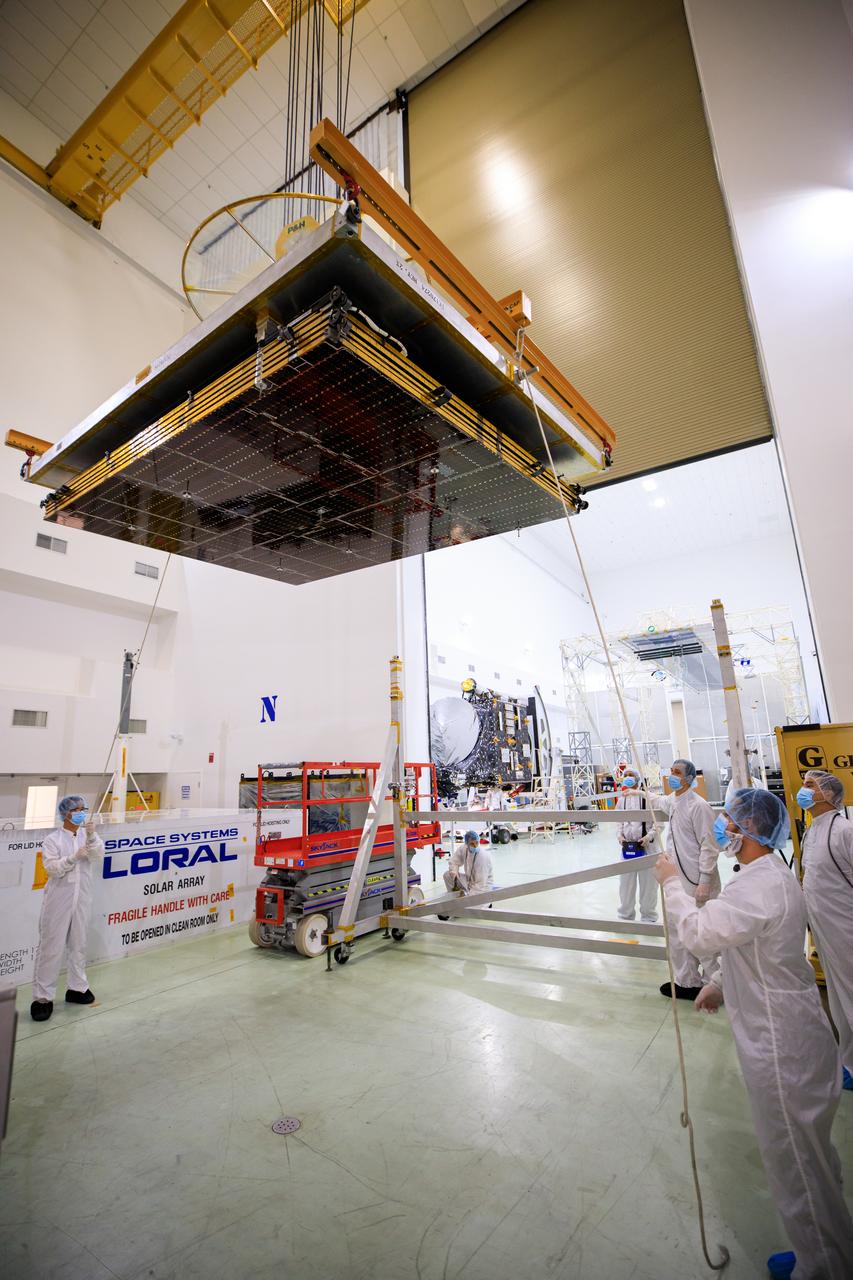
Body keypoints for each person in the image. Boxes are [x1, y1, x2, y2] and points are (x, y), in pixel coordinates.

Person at [656, 788, 853, 1280]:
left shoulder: (758, 887)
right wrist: (720, 983)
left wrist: (670, 886)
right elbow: (759, 945)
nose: (722, 824)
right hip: (792, 1032)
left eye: (728, 818)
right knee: (811, 1158)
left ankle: (825, 1267)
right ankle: (826, 1248)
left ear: (747, 830)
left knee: (797, 1165)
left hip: (782, 1045)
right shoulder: (768, 878)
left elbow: (700, 932)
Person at [797, 769, 853, 1092]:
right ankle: (849, 1062)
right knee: (837, 998)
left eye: (810, 785)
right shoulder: (810, 831)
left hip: (846, 929)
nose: (803, 790)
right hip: (824, 932)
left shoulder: (844, 830)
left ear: (829, 795)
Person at [31, 794, 104, 1022]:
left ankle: (77, 988)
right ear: (66, 813)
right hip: (58, 900)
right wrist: (72, 858)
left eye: (84, 808)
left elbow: (98, 854)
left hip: (81, 898)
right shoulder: (52, 840)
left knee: (78, 944)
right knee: (51, 947)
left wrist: (91, 836)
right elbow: (52, 869)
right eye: (77, 809)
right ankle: (42, 998)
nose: (82, 812)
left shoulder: (86, 835)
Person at [652, 759, 720, 999]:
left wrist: (705, 880)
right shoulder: (674, 801)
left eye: (677, 772)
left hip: (697, 882)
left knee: (702, 934)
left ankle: (717, 984)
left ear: (689, 778)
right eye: (671, 771)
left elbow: (709, 846)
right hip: (678, 880)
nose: (672, 775)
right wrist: (637, 791)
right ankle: (686, 982)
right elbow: (657, 801)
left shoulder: (698, 806)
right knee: (678, 931)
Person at [615, 771, 658, 923]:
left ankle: (649, 917)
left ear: (637, 780)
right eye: (625, 775)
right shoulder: (622, 800)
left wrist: (649, 837)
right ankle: (625, 916)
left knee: (649, 886)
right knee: (626, 884)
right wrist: (619, 836)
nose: (627, 777)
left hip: (648, 848)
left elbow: (658, 823)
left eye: (630, 775)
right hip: (627, 848)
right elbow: (619, 821)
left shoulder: (648, 798)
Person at [443, 829, 494, 896]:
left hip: (483, 887)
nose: (475, 846)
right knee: (447, 875)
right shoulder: (464, 849)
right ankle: (454, 897)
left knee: (472, 903)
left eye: (477, 843)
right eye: (472, 844)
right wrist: (454, 871)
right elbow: (454, 861)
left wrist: (468, 897)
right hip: (469, 881)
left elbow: (480, 883)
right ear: (467, 844)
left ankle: (466, 899)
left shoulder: (483, 857)